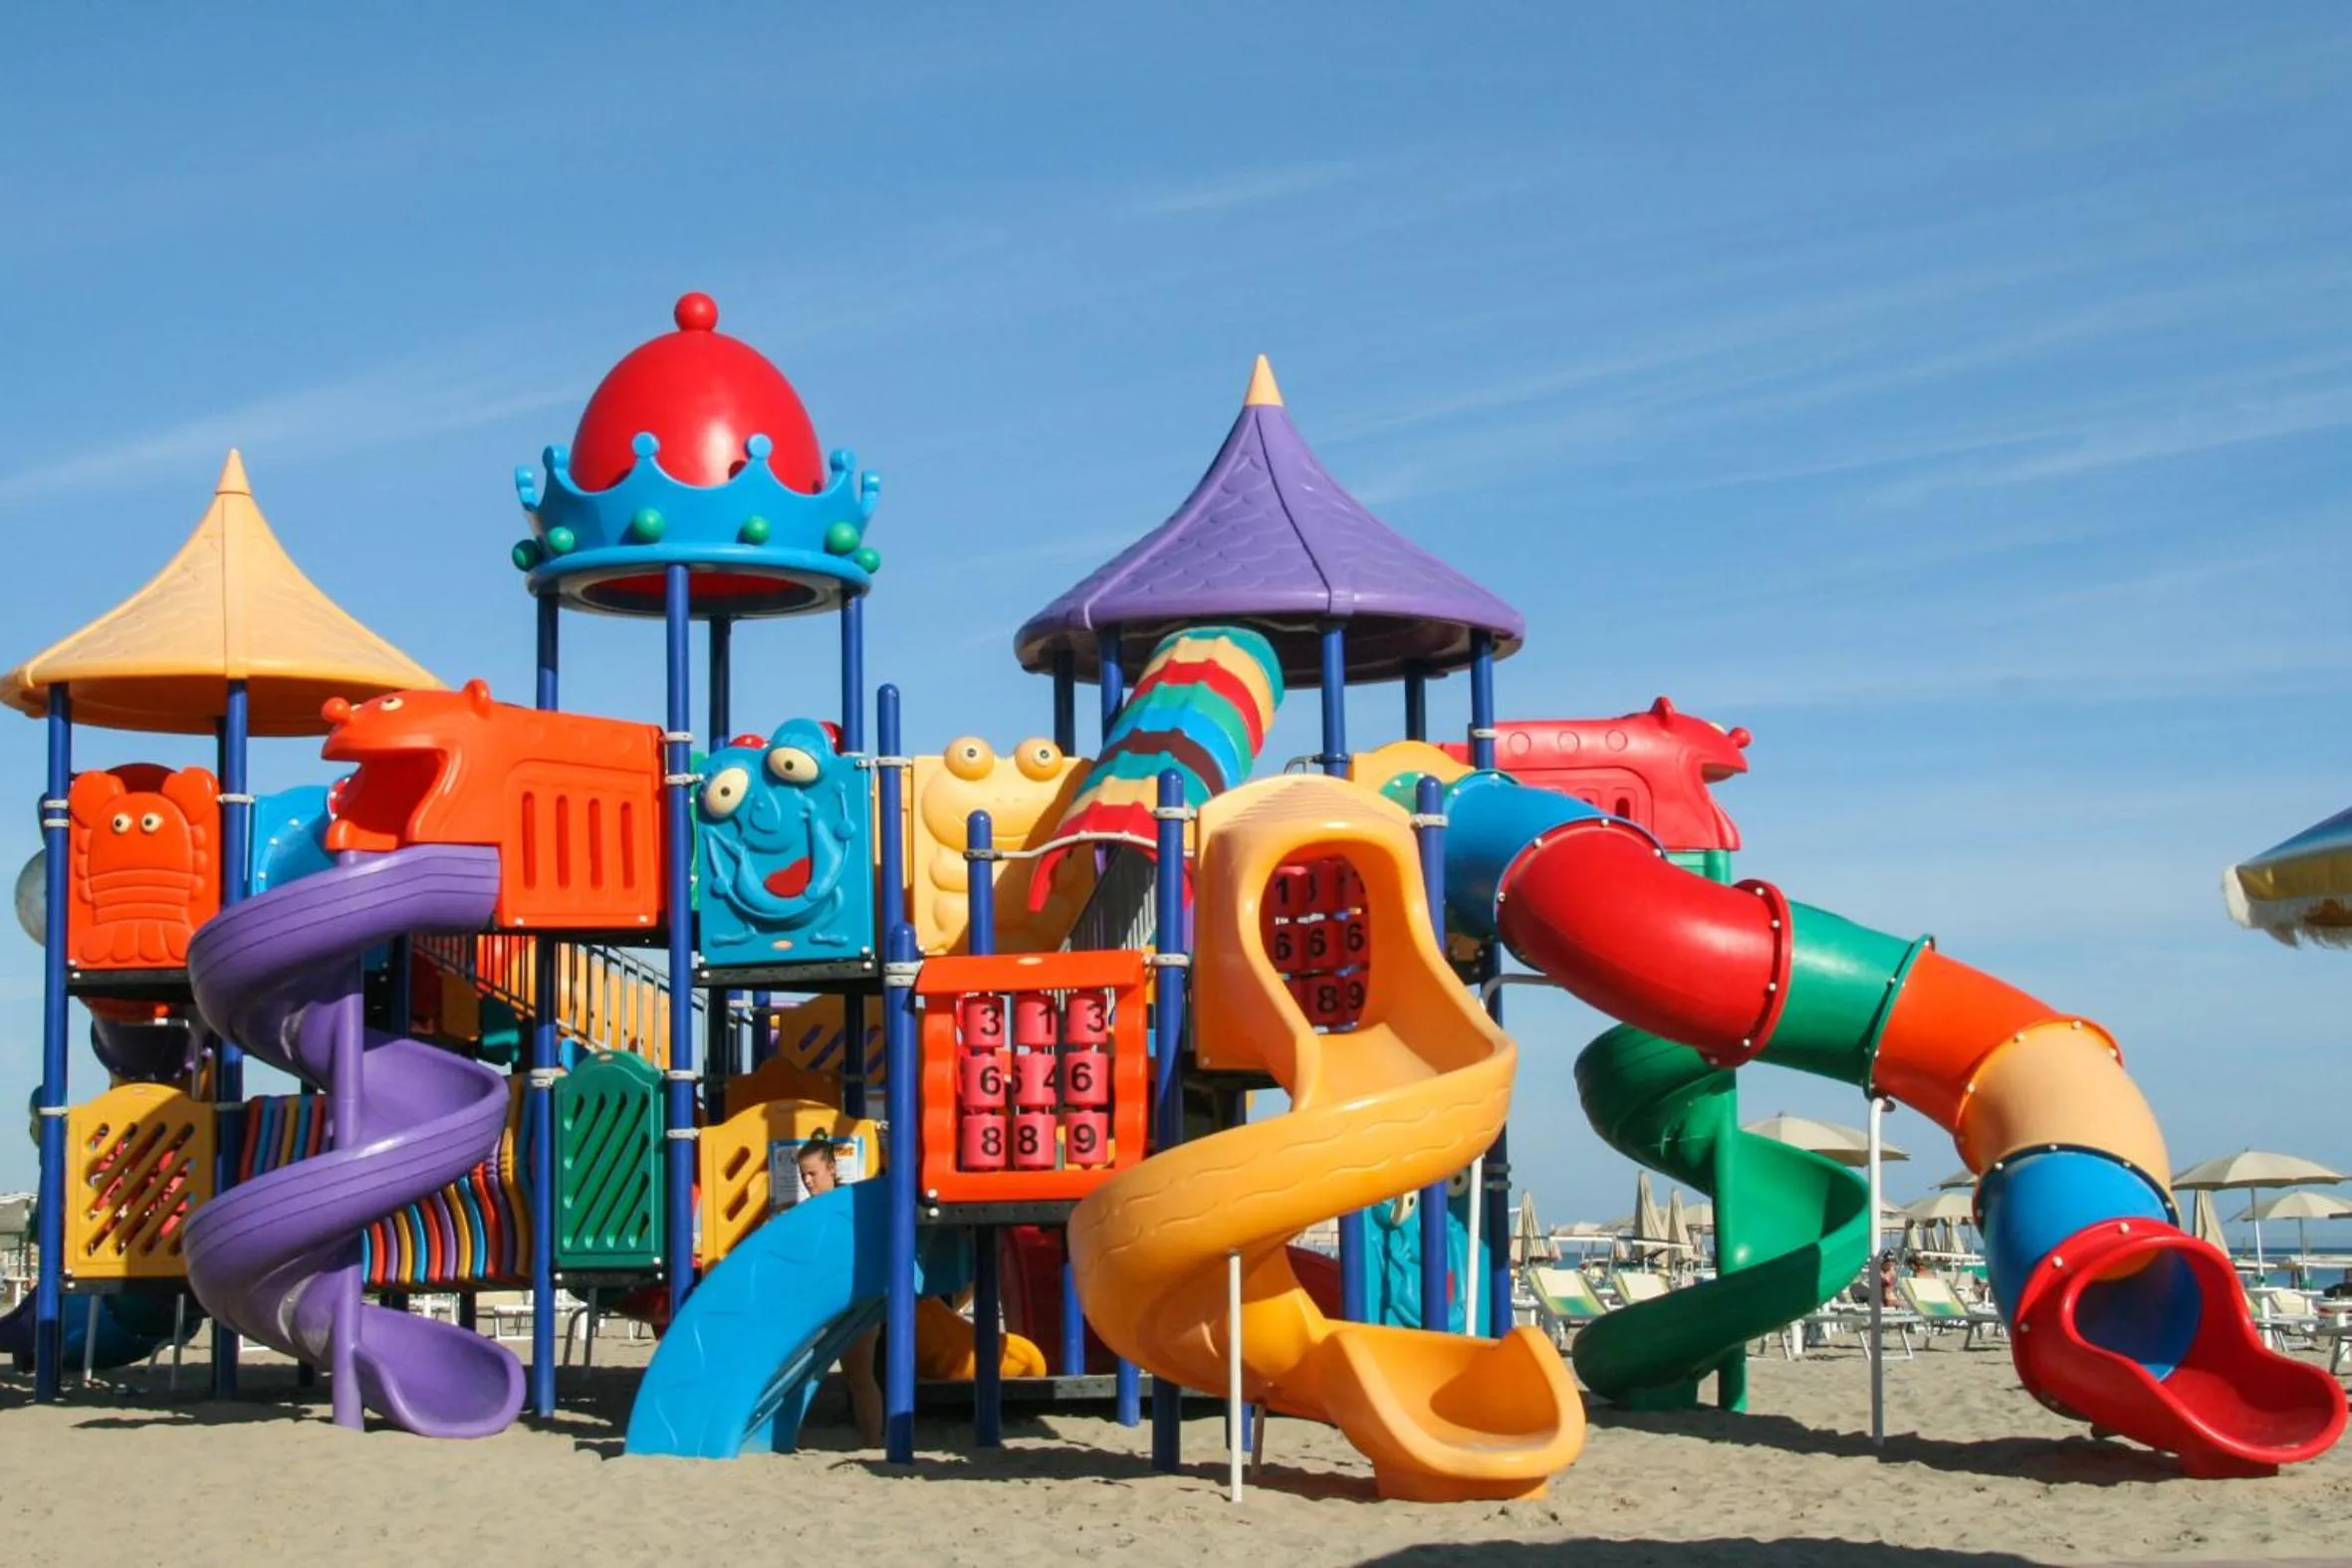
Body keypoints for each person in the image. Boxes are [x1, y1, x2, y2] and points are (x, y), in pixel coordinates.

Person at [796, 1131, 884, 1448]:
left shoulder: (852, 1205)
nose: (807, 1180)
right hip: (822, 1306)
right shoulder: (805, 1213)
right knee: (801, 1375)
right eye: (803, 1174)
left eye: (813, 1173)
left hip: (855, 1302)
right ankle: (792, 1439)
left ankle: (873, 1442)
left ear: (831, 1169)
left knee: (859, 1375)